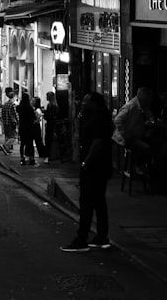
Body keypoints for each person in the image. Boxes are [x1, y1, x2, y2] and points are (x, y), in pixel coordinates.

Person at [61, 92, 115, 252]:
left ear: (94, 103)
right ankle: (101, 236)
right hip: (100, 166)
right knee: (98, 201)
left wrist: (86, 162)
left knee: (87, 202)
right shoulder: (97, 117)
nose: (82, 103)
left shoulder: (97, 119)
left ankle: (82, 239)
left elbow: (97, 144)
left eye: (86, 101)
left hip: (94, 167)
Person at [112, 86, 155, 164]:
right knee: (146, 148)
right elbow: (117, 120)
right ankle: (138, 168)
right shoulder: (131, 106)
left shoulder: (142, 106)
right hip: (124, 138)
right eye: (149, 98)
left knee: (153, 143)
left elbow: (150, 117)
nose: (150, 101)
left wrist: (151, 122)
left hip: (134, 135)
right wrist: (125, 134)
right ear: (144, 97)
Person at [16, 92, 36, 165]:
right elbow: (34, 117)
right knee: (30, 143)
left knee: (22, 144)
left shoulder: (19, 107)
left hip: (22, 127)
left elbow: (17, 111)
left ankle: (22, 158)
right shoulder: (30, 108)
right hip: (30, 128)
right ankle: (31, 158)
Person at [0, 88, 18, 155]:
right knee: (13, 137)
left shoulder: (5, 104)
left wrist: (3, 121)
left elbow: (2, 114)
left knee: (7, 136)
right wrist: (18, 121)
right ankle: (5, 146)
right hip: (11, 123)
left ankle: (7, 150)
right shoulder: (12, 105)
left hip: (5, 123)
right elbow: (15, 114)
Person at [41, 91, 59, 164]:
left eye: (47, 96)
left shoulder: (50, 105)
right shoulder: (55, 105)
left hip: (50, 125)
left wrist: (44, 112)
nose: (46, 97)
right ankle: (50, 156)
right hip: (53, 125)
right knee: (50, 141)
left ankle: (48, 156)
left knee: (48, 140)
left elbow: (49, 116)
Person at [30, 96, 46, 165]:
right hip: (35, 126)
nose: (31, 102)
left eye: (33, 101)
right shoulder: (34, 109)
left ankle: (42, 153)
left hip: (36, 126)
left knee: (38, 140)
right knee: (37, 140)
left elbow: (38, 118)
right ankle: (41, 153)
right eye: (31, 100)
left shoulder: (37, 110)